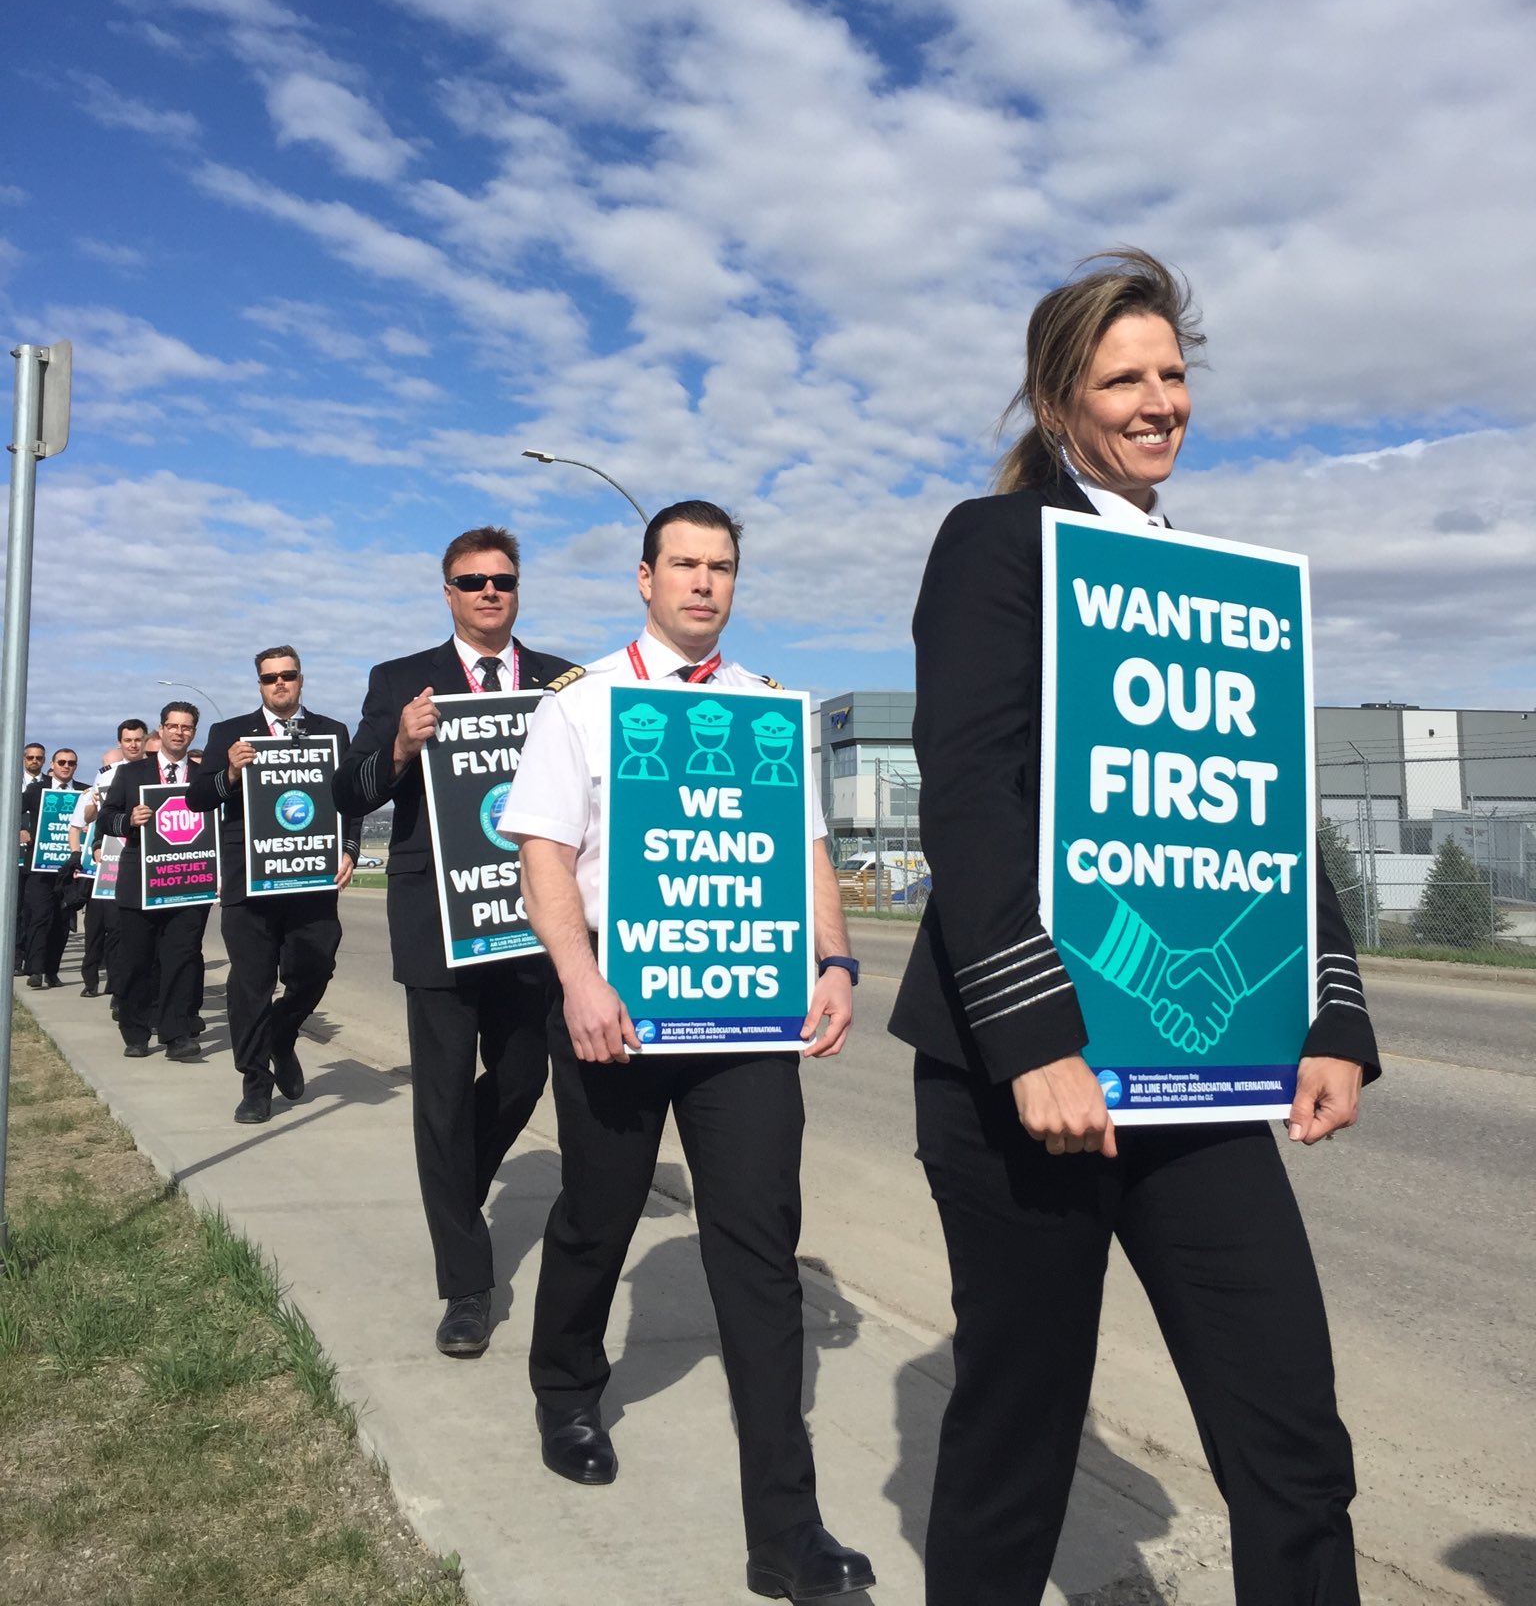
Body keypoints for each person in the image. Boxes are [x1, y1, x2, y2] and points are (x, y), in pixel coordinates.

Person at [889, 250, 1380, 1606]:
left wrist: (1328, 1012)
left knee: (1293, 1439)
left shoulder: (1219, 586)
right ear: (1060, 406)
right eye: (1125, 378)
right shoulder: (997, 546)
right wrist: (1036, 1037)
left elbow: (1262, 811)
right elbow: (969, 797)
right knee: (1019, 1442)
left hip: (1201, 1070)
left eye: (1172, 373)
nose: (1159, 399)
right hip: (1031, 1078)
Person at [504, 499, 875, 1606]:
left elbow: (806, 847)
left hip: (745, 1028)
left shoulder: (767, 712)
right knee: (597, 1215)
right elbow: (544, 851)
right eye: (685, 564)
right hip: (616, 1014)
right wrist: (578, 977)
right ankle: (566, 1384)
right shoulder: (582, 706)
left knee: (760, 1256)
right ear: (644, 576)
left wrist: (837, 961)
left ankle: (787, 1527)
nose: (704, 583)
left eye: (721, 567)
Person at [333, 527, 577, 1357]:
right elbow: (350, 790)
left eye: (501, 580)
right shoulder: (401, 680)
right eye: (471, 581)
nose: (488, 593)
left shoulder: (561, 682)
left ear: (518, 588)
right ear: (447, 592)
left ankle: (455, 1193)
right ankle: (466, 1286)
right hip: (437, 917)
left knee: (519, 1079)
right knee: (440, 1100)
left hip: (528, 920)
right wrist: (401, 743)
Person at [188, 647, 362, 1124]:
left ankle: (284, 1034)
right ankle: (255, 1082)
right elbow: (198, 798)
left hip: (310, 880)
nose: (279, 684)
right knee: (251, 984)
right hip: (250, 881)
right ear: (259, 685)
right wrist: (228, 773)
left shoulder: (332, 732)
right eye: (270, 678)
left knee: (316, 966)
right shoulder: (229, 733)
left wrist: (348, 848)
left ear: (301, 679)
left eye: (287, 676)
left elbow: (349, 798)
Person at [99, 701, 210, 1062]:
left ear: (194, 732)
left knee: (181, 959)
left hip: (188, 880)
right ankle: (135, 1031)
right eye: (173, 726)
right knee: (136, 961)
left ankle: (176, 1034)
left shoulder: (202, 775)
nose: (180, 732)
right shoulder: (132, 773)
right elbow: (106, 818)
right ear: (160, 730)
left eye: (187, 727)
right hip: (140, 882)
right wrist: (129, 820)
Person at [18, 747, 83, 986]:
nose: (66, 766)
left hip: (69, 871)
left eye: (71, 763)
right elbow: (11, 809)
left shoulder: (84, 792)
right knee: (39, 917)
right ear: (52, 765)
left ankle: (52, 970)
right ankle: (35, 970)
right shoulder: (36, 791)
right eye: (62, 762)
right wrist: (20, 829)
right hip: (39, 867)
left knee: (61, 923)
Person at [69, 743, 128, 995]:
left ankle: (115, 983)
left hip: (120, 870)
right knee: (94, 929)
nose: (110, 770)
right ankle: (90, 980)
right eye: (106, 766)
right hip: (95, 873)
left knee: (116, 930)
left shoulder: (131, 793)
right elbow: (84, 821)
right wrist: (95, 801)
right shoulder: (91, 794)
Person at [14, 741, 46, 973]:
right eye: (30, 757)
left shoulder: (47, 786)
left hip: (36, 857)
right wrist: (16, 829)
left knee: (32, 910)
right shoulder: (11, 782)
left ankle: (32, 961)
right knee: (14, 910)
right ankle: (15, 958)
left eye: (39, 758)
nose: (34, 761)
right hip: (13, 857)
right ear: (23, 759)